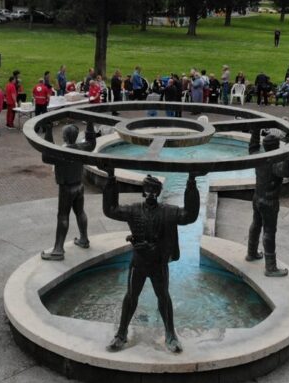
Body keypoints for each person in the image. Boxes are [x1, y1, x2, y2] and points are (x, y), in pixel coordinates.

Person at [103, 171, 199, 353]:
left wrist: (191, 183)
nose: (151, 193)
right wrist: (110, 179)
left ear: (159, 192)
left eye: (154, 190)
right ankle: (121, 333)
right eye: (147, 189)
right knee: (131, 296)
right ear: (143, 191)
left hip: (158, 264)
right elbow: (110, 209)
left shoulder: (168, 211)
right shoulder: (133, 210)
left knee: (163, 297)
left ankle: (171, 334)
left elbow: (190, 215)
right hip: (138, 263)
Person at [41, 123, 97, 260]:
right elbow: (92, 142)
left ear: (65, 137)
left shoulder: (61, 153)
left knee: (63, 216)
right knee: (80, 212)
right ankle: (84, 239)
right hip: (79, 186)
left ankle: (58, 250)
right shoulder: (81, 148)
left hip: (67, 188)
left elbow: (46, 155)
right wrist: (90, 122)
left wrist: (48, 130)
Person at [246, 131, 289, 277]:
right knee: (269, 231)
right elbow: (287, 171)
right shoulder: (275, 163)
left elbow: (253, 147)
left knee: (256, 224)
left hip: (257, 197)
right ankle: (270, 267)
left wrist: (255, 130)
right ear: (277, 146)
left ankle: (251, 253)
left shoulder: (259, 157)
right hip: (269, 201)